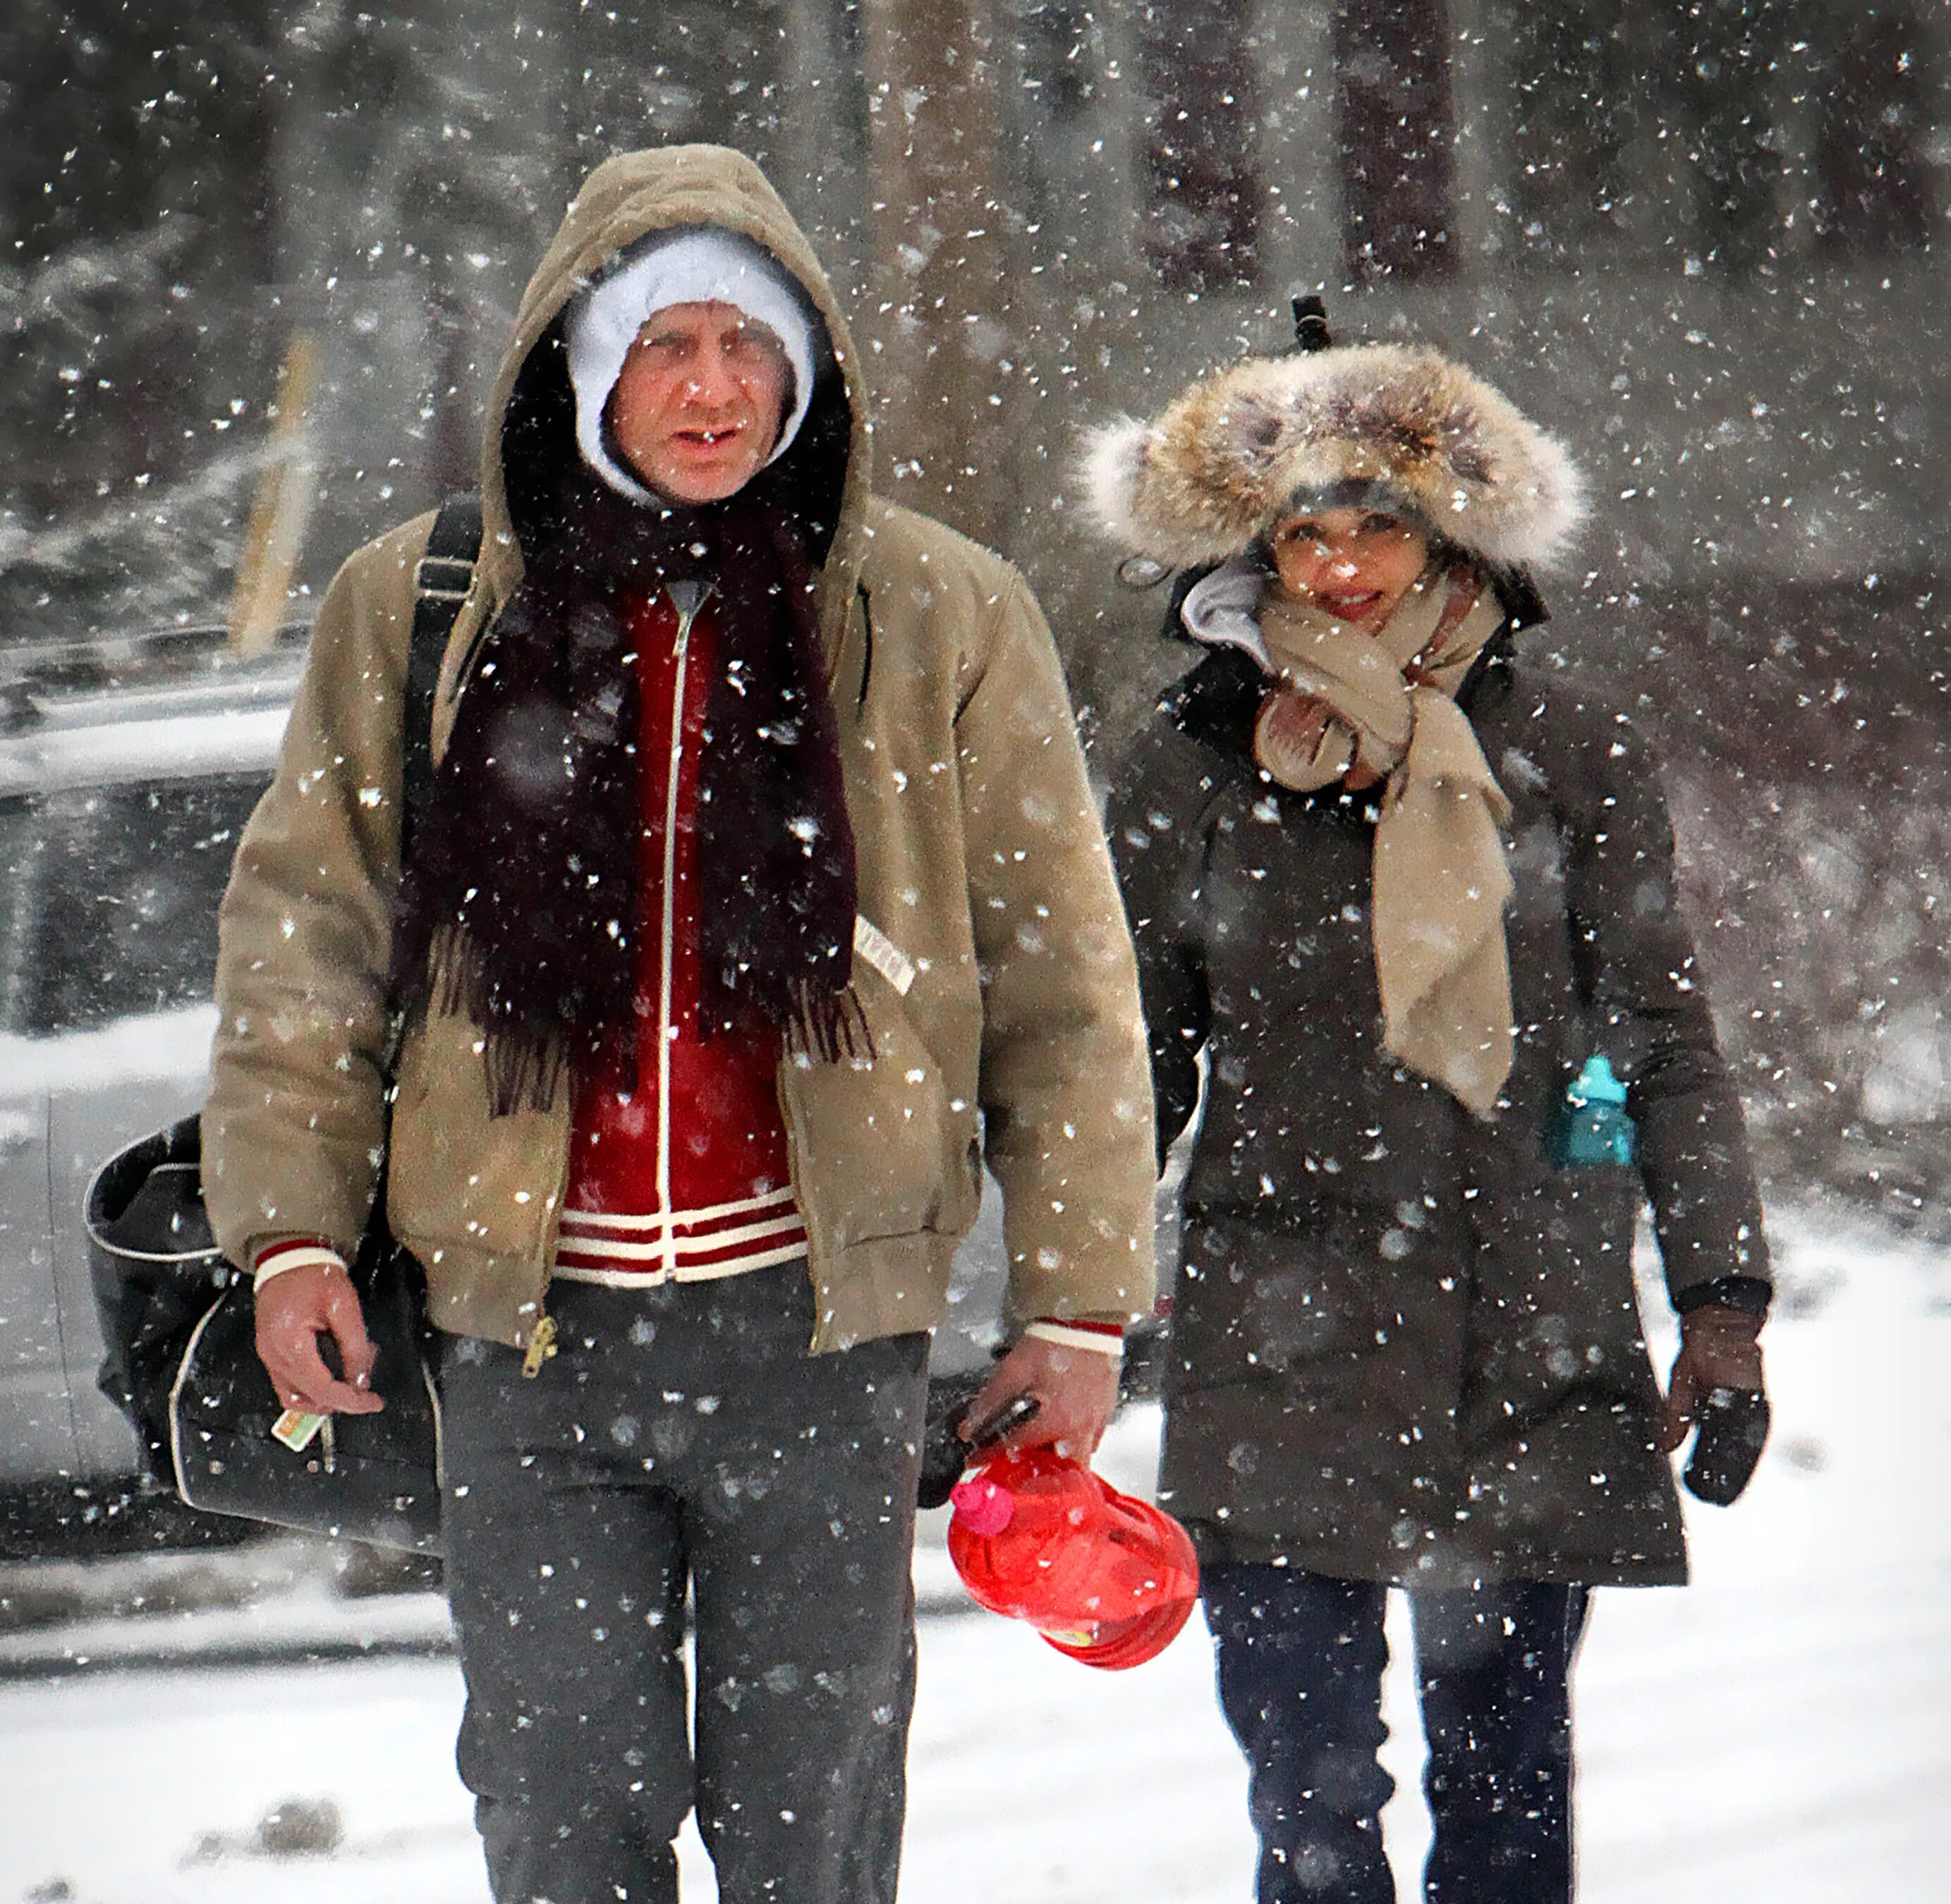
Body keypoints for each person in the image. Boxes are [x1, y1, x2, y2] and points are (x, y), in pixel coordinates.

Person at [203, 144, 1157, 1904]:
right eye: (665, 346)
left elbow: (1062, 982)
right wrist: (286, 1236)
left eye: (747, 344)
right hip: (525, 1339)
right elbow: (303, 945)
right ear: (584, 369)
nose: (713, 388)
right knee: (564, 1830)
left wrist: (1078, 1301)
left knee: (815, 1842)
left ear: (805, 370)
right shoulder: (421, 609)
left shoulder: (937, 613)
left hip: (817, 1333)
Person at [1088, 305, 1770, 1904]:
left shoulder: (1571, 748)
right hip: (1286, 1333)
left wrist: (1722, 1300)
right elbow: (1126, 1064)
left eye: (1378, 524)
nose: (1341, 567)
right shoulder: (1190, 763)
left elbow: (1658, 1036)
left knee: (1511, 1786)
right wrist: (1070, 1307)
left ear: (1445, 527)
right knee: (1311, 1810)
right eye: (1305, 532)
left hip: (1527, 1322)